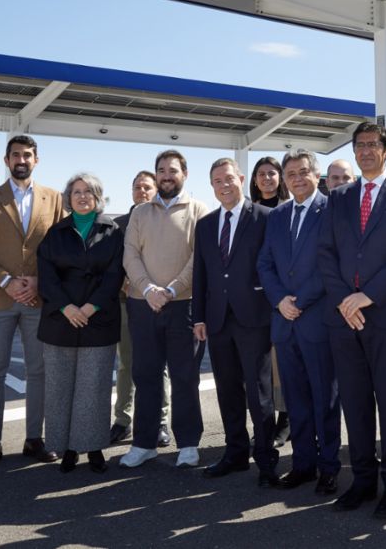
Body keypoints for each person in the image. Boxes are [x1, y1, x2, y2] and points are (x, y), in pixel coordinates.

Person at [317, 122, 386, 518]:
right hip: (345, 319)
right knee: (356, 404)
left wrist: (367, 296)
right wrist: (346, 300)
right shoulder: (338, 197)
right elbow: (325, 253)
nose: (365, 151)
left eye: (371, 145)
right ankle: (362, 481)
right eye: (359, 145)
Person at [0, 135, 66, 472]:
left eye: (27, 155)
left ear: (36, 160)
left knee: (38, 372)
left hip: (38, 299)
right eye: (15, 155)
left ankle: (34, 439)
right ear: (6, 160)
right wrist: (6, 281)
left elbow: (61, 246)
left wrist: (40, 281)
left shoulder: (54, 198)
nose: (21, 160)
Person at [257, 149, 341, 494]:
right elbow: (265, 264)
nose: (297, 178)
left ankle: (329, 467)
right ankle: (303, 463)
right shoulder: (278, 215)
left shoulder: (332, 210)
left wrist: (299, 301)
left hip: (317, 319)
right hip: (284, 322)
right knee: (296, 400)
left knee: (325, 399)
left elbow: (332, 264)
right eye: (290, 173)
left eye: (303, 172)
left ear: (316, 175)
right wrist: (280, 300)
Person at [121, 150, 209, 469]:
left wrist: (171, 290)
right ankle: (144, 444)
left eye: (172, 170)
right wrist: (148, 289)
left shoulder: (199, 210)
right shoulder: (141, 212)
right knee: (146, 375)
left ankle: (188, 443)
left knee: (185, 377)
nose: (166, 175)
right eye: (161, 170)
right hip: (143, 304)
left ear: (184, 173)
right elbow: (130, 254)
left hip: (183, 305)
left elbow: (199, 258)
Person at [193, 158, 278, 487]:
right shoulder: (205, 224)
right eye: (217, 181)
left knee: (259, 393)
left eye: (229, 178)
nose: (224, 185)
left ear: (241, 179)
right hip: (217, 320)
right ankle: (235, 453)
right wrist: (199, 317)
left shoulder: (265, 217)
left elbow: (273, 265)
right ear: (211, 186)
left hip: (254, 316)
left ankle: (266, 458)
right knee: (227, 391)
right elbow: (201, 274)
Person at [37, 174, 125, 473]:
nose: (83, 196)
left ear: (98, 197)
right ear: (68, 198)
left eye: (89, 191)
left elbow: (115, 274)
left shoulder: (112, 231)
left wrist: (89, 307)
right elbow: (46, 275)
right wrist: (67, 307)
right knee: (60, 388)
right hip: (60, 319)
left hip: (98, 318)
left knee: (94, 389)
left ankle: (94, 447)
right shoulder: (55, 232)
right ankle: (67, 448)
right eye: (76, 192)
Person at [110, 171, 172, 447]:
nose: (142, 191)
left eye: (148, 187)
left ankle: (160, 421)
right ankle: (122, 420)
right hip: (126, 302)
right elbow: (113, 263)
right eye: (137, 187)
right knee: (126, 364)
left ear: (156, 190)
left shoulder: (166, 220)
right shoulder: (118, 225)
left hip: (158, 303)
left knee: (159, 365)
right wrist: (125, 283)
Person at [248, 155, 291, 444]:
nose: (266, 178)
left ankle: (285, 421)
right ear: (254, 179)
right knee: (258, 368)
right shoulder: (247, 211)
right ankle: (263, 423)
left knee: (282, 364)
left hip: (281, 295)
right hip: (253, 298)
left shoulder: (288, 209)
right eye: (261, 174)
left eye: (272, 173)